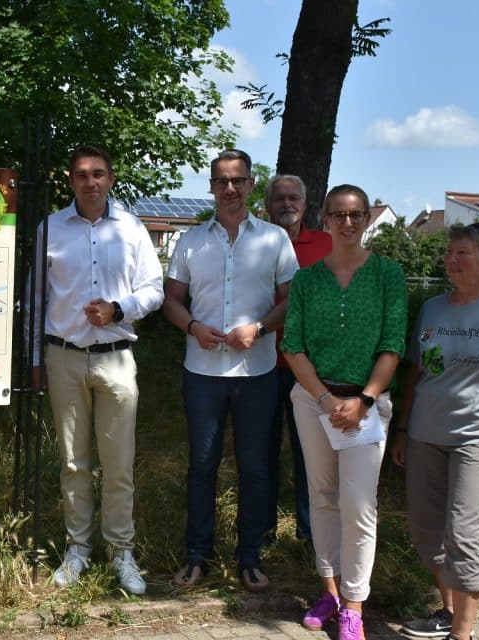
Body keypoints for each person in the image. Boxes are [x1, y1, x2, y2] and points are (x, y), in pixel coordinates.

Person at [391, 223, 479, 640]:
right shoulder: (433, 308)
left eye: (464, 253)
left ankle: (462, 634)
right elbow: (416, 373)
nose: (452, 259)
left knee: (464, 533)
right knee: (424, 528)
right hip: (423, 437)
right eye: (450, 252)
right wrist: (402, 429)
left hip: (476, 439)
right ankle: (448, 611)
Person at [162, 150, 298, 590]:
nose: (230, 189)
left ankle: (250, 557)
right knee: (201, 465)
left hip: (257, 372)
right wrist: (193, 326)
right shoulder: (190, 241)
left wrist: (258, 329)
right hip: (201, 372)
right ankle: (198, 556)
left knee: (256, 468)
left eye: (238, 180)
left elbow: (290, 301)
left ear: (251, 184)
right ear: (211, 186)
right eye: (221, 181)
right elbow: (171, 300)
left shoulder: (275, 239)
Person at [32, 144, 164, 595]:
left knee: (119, 464)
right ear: (70, 180)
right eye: (81, 174)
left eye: (99, 174)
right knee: (72, 462)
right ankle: (78, 550)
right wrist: (35, 358)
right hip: (63, 357)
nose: (90, 181)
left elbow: (154, 289)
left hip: (116, 359)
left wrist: (118, 309)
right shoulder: (49, 228)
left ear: (111, 178)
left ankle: (121, 552)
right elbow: (34, 301)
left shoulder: (131, 228)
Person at [281, 184, 407, 640]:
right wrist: (327, 401)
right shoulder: (307, 280)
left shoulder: (388, 275)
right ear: (326, 218)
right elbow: (292, 345)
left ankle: (354, 604)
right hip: (315, 401)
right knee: (322, 497)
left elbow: (394, 344)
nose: (348, 222)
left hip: (368, 406)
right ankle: (329, 592)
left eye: (356, 214)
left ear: (369, 216)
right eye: (338, 214)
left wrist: (365, 400)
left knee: (359, 506)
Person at [265, 175, 332, 545]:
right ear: (267, 205)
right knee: (263, 453)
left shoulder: (326, 245)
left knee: (312, 456)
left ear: (306, 205)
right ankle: (264, 531)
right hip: (261, 366)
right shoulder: (255, 242)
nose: (286, 204)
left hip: (311, 371)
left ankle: (312, 534)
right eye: (279, 198)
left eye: (294, 198)